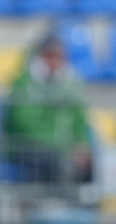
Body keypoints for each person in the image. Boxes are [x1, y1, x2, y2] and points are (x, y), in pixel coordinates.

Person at [2, 34, 93, 183]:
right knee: (59, 162)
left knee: (93, 161)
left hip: (62, 148)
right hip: (27, 147)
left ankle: (86, 203)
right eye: (50, 56)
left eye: (58, 56)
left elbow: (79, 119)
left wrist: (82, 144)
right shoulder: (24, 83)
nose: (54, 61)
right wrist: (61, 145)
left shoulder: (71, 84)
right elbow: (24, 123)